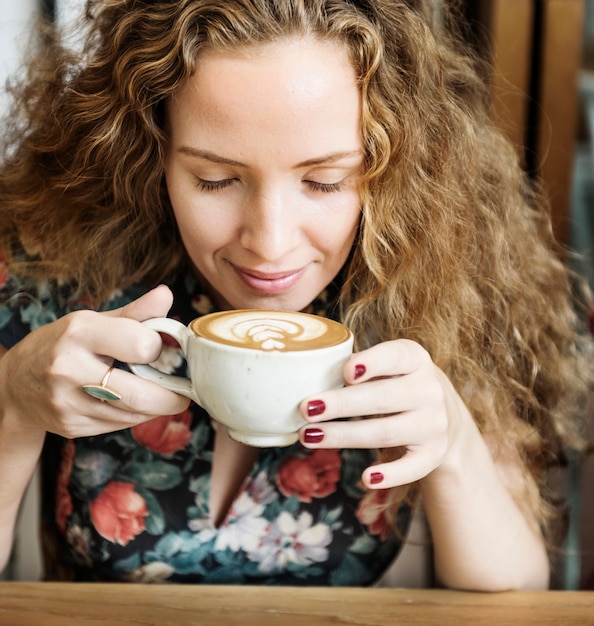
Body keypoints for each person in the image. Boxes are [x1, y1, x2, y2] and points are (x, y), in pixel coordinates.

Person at [0, 0, 590, 590]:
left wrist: (454, 441)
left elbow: (518, 594)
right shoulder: (54, 262)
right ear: (149, 148)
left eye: (323, 181)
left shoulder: (443, 278)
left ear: (391, 162)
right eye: (216, 179)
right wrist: (11, 408)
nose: (270, 244)